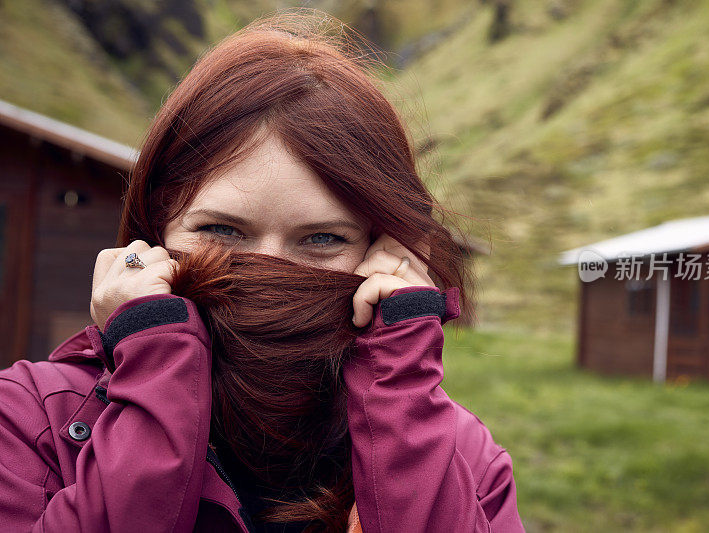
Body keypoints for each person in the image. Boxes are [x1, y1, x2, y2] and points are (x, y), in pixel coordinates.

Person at [0, 12, 525, 533]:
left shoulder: (466, 458)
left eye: (323, 239)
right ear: (155, 232)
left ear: (388, 249)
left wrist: (402, 390)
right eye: (222, 231)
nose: (270, 267)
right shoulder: (28, 419)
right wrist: (155, 364)